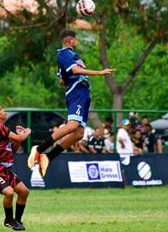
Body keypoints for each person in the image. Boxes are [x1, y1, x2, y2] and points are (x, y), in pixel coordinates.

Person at [27, 29, 115, 176]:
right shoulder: (64, 53)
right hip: (77, 92)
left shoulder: (71, 55)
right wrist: (99, 72)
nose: (77, 41)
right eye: (76, 39)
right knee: (72, 125)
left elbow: (62, 80)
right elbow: (74, 71)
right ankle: (39, 148)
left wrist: (68, 76)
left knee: (79, 133)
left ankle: (48, 157)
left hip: (84, 94)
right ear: (70, 40)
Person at [0, 102, 32, 231]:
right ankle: (9, 220)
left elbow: (13, 150)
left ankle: (17, 221)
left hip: (2, 169)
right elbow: (21, 138)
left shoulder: (2, 129)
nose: (4, 111)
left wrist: (17, 138)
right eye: (1, 109)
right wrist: (26, 132)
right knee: (9, 192)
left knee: (24, 192)